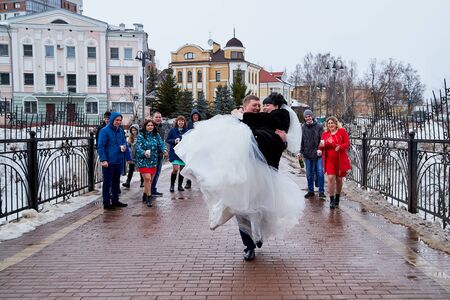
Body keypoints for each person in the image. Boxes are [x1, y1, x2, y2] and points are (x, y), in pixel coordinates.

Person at [175, 94, 304, 262]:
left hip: (264, 176)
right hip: (242, 176)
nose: (259, 108)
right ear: (245, 107)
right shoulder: (237, 125)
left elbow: (273, 138)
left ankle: (258, 235)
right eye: (255, 105)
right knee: (241, 210)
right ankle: (248, 246)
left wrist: (281, 139)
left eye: (261, 105)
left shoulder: (267, 123)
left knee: (262, 210)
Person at [97, 112, 131, 210]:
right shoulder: (104, 131)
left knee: (116, 182)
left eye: (120, 120)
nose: (118, 122)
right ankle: (106, 203)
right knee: (107, 182)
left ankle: (115, 200)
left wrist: (127, 157)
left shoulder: (120, 131)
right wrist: (103, 159)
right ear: (112, 120)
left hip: (118, 160)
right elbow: (101, 146)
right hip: (108, 161)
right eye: (116, 120)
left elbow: (124, 143)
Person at [319, 116, 351, 209]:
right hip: (329, 160)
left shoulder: (342, 132)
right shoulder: (325, 134)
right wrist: (320, 149)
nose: (330, 125)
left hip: (340, 160)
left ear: (336, 124)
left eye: (332, 123)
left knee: (339, 180)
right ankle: (332, 200)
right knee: (331, 177)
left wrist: (340, 147)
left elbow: (347, 143)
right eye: (328, 123)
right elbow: (321, 145)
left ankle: (337, 197)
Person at [135, 120, 168, 207]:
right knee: (147, 178)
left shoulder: (156, 135)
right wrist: (144, 152)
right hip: (143, 160)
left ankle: (145, 194)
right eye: (148, 125)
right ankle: (149, 197)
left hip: (153, 160)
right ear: (145, 126)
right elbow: (137, 147)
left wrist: (164, 150)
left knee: (150, 180)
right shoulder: (141, 136)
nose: (150, 127)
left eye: (151, 125)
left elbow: (161, 144)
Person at [298, 109, 325, 199]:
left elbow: (322, 140)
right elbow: (301, 141)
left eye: (309, 116)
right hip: (307, 154)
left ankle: (321, 192)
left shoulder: (319, 126)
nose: (307, 118)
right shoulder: (303, 127)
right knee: (309, 174)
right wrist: (300, 152)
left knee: (320, 172)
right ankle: (311, 191)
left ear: (312, 116)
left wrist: (320, 149)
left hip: (318, 154)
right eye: (306, 117)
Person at [166, 116, 188, 192]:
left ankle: (180, 185)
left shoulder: (187, 131)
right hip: (174, 153)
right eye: (179, 121)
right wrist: (174, 141)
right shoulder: (172, 130)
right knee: (175, 169)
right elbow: (167, 140)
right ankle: (172, 185)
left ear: (184, 122)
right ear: (177, 122)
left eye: (182, 121)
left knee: (182, 170)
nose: (181, 122)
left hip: (183, 153)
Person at [184, 109, 202, 189]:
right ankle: (188, 182)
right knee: (189, 166)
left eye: (196, 115)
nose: (195, 117)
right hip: (190, 147)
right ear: (192, 116)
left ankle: (200, 182)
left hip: (199, 148)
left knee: (199, 166)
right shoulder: (189, 124)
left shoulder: (201, 124)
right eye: (194, 115)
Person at [122, 124, 142, 189]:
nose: (134, 132)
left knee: (141, 169)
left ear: (137, 130)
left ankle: (142, 181)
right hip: (132, 156)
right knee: (131, 169)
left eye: (135, 130)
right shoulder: (130, 138)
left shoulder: (140, 137)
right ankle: (128, 182)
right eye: (132, 130)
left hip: (139, 156)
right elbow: (128, 146)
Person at [151, 111, 166, 195]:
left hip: (159, 155)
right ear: (153, 118)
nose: (158, 118)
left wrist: (164, 150)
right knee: (151, 173)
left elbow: (162, 142)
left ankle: (153, 189)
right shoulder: (150, 127)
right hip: (151, 155)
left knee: (157, 173)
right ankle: (148, 191)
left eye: (159, 117)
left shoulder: (162, 129)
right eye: (156, 117)